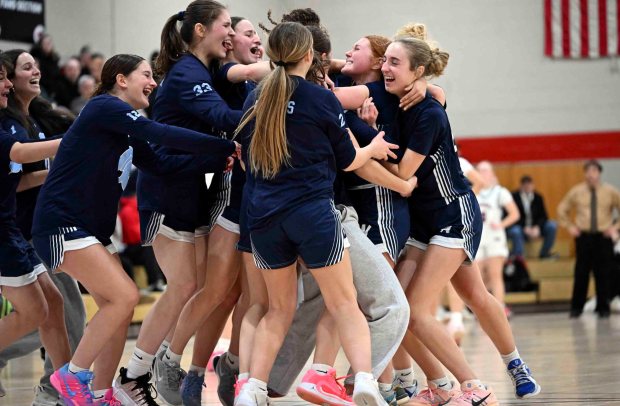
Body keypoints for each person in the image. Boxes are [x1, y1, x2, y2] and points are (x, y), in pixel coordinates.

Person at [30, 53, 239, 405]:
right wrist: (225, 144)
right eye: (145, 74)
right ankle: (73, 375)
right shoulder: (104, 107)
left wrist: (218, 160)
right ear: (121, 80)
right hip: (62, 223)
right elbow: (160, 132)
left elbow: (159, 163)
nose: (153, 82)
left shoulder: (126, 125)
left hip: (89, 231)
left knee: (120, 308)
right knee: (125, 295)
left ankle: (99, 393)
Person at [234, 21, 397, 406]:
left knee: (278, 311)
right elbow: (348, 159)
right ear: (309, 56)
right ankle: (364, 383)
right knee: (344, 302)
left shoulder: (256, 97)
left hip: (263, 218)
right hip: (311, 212)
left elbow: (242, 160)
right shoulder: (321, 99)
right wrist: (372, 150)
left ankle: (252, 388)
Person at [382, 36, 541, 405]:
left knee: (420, 310)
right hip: (421, 223)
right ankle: (433, 385)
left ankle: (484, 380)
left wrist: (360, 156)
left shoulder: (428, 111)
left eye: (394, 62)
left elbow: (405, 173)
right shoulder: (395, 95)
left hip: (453, 212)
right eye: (384, 61)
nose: (385, 68)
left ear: (416, 71)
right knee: (402, 307)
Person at [0, 49, 85, 406]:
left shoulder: (23, 119)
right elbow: (19, 154)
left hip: (15, 230)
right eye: (5, 75)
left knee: (54, 304)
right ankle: (59, 389)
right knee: (42, 311)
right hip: (18, 230)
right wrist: (76, 144)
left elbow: (17, 174)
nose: (7, 82)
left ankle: (67, 390)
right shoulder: (9, 126)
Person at [558, 159, 620, 318]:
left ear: (599, 173)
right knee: (581, 272)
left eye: (594, 171)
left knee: (603, 273)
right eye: (588, 171)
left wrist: (614, 227)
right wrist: (570, 226)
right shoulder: (577, 191)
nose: (591, 175)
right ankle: (576, 307)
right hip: (584, 236)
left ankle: (603, 307)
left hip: (603, 236)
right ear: (585, 173)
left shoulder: (610, 191)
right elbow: (562, 209)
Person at [475, 161, 520, 311]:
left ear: (492, 173)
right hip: (478, 237)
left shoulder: (500, 192)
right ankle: (483, 310)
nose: (482, 173)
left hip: (494, 237)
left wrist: (501, 224)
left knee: (495, 275)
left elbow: (515, 214)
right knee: (478, 278)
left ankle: (500, 308)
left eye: (486, 170)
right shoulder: (472, 190)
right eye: (479, 170)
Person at [507, 175, 558, 259]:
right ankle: (518, 257)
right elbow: (511, 216)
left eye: (529, 185)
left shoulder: (538, 197)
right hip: (521, 228)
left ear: (533, 186)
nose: (527, 187)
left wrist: (537, 227)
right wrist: (524, 228)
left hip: (535, 229)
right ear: (521, 186)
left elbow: (544, 216)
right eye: (525, 185)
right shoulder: (513, 197)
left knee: (552, 225)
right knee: (515, 231)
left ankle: (544, 253)